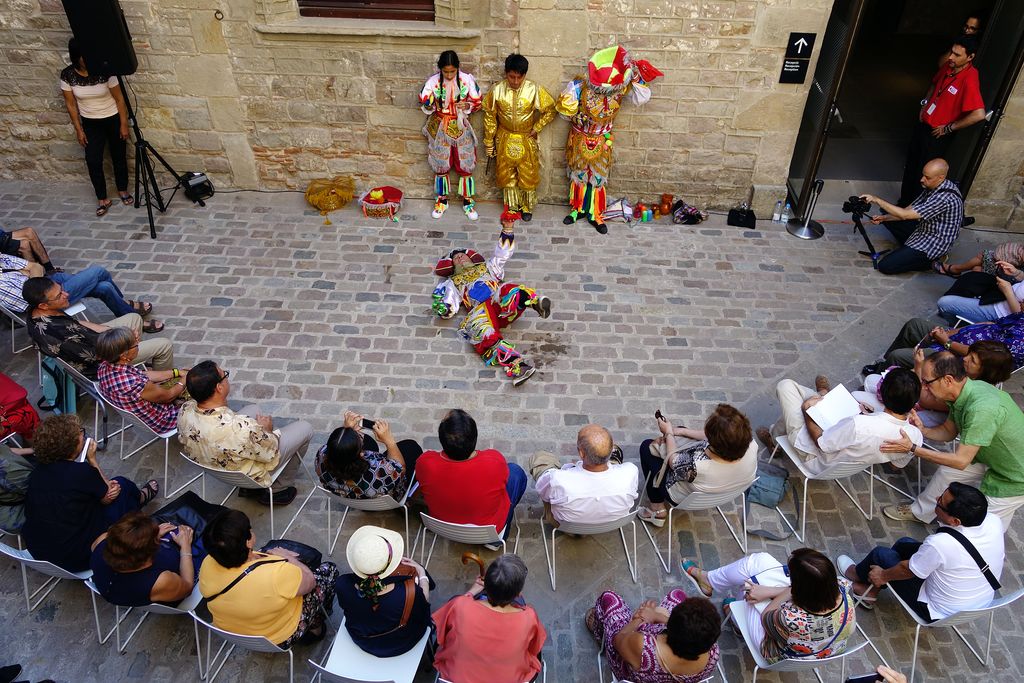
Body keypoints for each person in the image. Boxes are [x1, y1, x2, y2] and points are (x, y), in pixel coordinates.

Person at [880, 352, 1024, 530]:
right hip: (989, 455)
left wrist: (913, 449)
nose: (923, 387)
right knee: (947, 473)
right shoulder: (962, 392)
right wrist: (923, 430)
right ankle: (920, 512)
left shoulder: (981, 409)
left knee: (981, 524)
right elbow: (948, 431)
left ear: (947, 380)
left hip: (1016, 476)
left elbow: (961, 461)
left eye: (927, 382)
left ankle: (955, 550)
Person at [842, 483, 1003, 622]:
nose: (936, 499)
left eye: (940, 502)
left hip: (937, 610)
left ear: (955, 521)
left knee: (881, 555)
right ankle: (870, 590)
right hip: (978, 601)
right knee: (904, 544)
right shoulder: (993, 521)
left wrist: (882, 576)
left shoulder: (941, 544)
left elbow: (907, 570)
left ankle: (857, 575)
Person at [22, 414, 158, 571]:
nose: (83, 435)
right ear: (71, 445)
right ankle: (138, 505)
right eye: (80, 433)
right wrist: (92, 459)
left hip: (40, 551)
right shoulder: (80, 472)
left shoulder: (38, 472)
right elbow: (108, 494)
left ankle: (137, 500)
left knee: (113, 493)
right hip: (79, 556)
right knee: (122, 486)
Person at [431, 212, 551, 384]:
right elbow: (450, 304)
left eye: (462, 255)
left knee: (508, 289)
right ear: (452, 266)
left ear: (471, 257)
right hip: (480, 311)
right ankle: (519, 367)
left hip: (499, 304)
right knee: (482, 332)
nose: (459, 257)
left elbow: (502, 254)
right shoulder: (452, 282)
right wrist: (444, 309)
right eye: (455, 258)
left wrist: (507, 229)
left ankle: (534, 303)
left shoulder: (488, 267)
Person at [556, 44, 662, 234]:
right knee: (579, 174)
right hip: (580, 137)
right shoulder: (580, 86)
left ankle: (595, 213)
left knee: (597, 177)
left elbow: (642, 97)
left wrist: (633, 73)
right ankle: (578, 209)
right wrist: (571, 106)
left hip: (602, 140)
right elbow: (564, 112)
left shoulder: (621, 89)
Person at [682, 548, 855, 664]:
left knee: (751, 591)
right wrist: (775, 590)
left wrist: (764, 592)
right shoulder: (843, 588)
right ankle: (710, 581)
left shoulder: (789, 618)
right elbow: (797, 591)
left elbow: (767, 615)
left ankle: (735, 618)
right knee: (760, 562)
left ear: (801, 586)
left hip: (778, 654)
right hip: (823, 651)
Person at [198, 509, 338, 646]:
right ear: (248, 542)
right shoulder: (276, 573)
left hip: (236, 632)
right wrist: (290, 558)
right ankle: (315, 629)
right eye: (250, 529)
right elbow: (310, 582)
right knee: (328, 571)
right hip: (278, 636)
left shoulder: (207, 564)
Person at [178, 360, 308, 506]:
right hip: (250, 475)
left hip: (213, 463)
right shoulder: (242, 429)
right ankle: (279, 489)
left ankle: (246, 488)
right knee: (305, 428)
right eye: (224, 375)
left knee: (253, 409)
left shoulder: (185, 410)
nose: (227, 378)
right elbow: (270, 450)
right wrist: (267, 429)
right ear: (219, 388)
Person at [761, 370, 923, 476]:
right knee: (811, 403)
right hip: (845, 460)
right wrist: (871, 415)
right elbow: (896, 466)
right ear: (914, 402)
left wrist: (807, 411)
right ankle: (822, 394)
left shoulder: (858, 424)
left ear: (882, 394)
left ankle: (775, 440)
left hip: (814, 457)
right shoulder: (914, 437)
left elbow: (821, 443)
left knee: (786, 386)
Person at [24, 277, 173, 380]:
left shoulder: (36, 312)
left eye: (61, 290)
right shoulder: (60, 335)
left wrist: (105, 329)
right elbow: (103, 355)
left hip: (95, 343)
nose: (66, 294)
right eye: (59, 296)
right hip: (101, 366)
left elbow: (77, 323)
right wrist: (127, 341)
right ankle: (160, 385)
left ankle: (132, 361)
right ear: (43, 305)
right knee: (164, 345)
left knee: (134, 318)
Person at [896, 35, 985, 207]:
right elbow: (933, 85)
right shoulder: (949, 66)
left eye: (957, 55)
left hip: (937, 135)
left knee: (925, 175)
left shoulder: (970, 77)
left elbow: (978, 114)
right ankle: (902, 204)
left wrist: (949, 128)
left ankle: (914, 211)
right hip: (923, 125)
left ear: (970, 57)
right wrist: (924, 105)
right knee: (911, 167)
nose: (951, 57)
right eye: (952, 52)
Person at [415, 409, 527, 545]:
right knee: (515, 472)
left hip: (443, 527)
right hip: (488, 533)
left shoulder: (424, 462)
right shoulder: (494, 461)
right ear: (474, 438)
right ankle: (495, 542)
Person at [432, 554, 546, 683]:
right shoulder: (528, 618)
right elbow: (534, 648)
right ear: (519, 594)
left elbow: (442, 635)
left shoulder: (459, 605)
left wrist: (470, 593)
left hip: (455, 677)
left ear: (486, 584)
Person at [638, 404, 757, 527]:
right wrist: (682, 431)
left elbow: (673, 460)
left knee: (647, 448)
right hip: (729, 488)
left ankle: (657, 509)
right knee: (680, 435)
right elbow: (711, 437)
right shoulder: (751, 445)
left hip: (681, 495)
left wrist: (668, 433)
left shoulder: (696, 466)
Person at [60, 37, 133, 217]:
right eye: (84, 56)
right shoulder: (68, 75)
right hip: (91, 123)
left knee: (118, 156)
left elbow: (119, 99)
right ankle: (102, 198)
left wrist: (124, 124)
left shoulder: (105, 70)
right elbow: (70, 105)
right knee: (93, 160)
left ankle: (122, 189)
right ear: (76, 57)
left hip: (112, 118)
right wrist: (79, 129)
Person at [335, 525, 433, 656]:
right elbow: (425, 601)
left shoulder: (343, 583)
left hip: (362, 639)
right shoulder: (408, 592)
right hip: (401, 643)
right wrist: (422, 574)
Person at [482, 53, 556, 221]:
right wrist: (489, 140)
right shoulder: (497, 90)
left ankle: (526, 206)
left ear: (524, 76)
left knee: (528, 173)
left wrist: (537, 127)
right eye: (511, 77)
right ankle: (512, 206)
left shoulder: (534, 89)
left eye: (518, 78)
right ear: (506, 73)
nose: (515, 81)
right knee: (506, 174)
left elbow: (551, 109)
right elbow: (489, 115)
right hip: (504, 137)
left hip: (526, 137)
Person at [586, 590, 720, 683]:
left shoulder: (644, 647)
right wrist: (656, 616)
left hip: (630, 663)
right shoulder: (713, 653)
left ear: (670, 628)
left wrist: (640, 618)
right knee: (677, 595)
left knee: (609, 598)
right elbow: (690, 636)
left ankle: (600, 633)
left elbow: (617, 639)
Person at [860, 158, 964, 275]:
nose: (922, 180)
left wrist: (876, 199)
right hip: (923, 230)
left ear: (941, 177)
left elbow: (905, 215)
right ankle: (908, 252)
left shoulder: (944, 197)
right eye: (923, 175)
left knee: (885, 266)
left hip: (933, 243)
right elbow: (907, 210)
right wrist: (884, 218)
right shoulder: (933, 186)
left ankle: (932, 262)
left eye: (927, 177)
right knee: (888, 216)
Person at [529, 424, 638, 525]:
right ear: (610, 452)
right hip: (613, 523)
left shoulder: (557, 479)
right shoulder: (630, 471)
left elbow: (542, 492)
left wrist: (568, 471)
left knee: (541, 459)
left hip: (567, 526)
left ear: (581, 453)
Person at [1, 260, 161, 329]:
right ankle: (127, 309)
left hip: (49, 282)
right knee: (99, 272)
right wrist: (30, 276)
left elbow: (35, 266)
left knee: (104, 286)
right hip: (47, 296)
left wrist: (34, 278)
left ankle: (125, 307)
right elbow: (28, 298)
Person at [419, 50, 482, 221]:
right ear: (440, 69)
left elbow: (477, 101)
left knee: (465, 163)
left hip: (461, 125)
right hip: (440, 126)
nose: (448, 75)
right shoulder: (433, 82)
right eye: (445, 71)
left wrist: (467, 104)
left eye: (452, 71)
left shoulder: (466, 80)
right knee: (441, 165)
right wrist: (430, 103)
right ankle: (441, 200)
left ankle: (468, 201)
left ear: (457, 69)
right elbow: (424, 99)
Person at [89, 511, 197, 607]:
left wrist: (147, 536)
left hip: (108, 586)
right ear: (147, 559)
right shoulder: (161, 581)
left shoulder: (101, 541)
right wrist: (185, 546)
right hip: (166, 592)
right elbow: (187, 587)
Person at [862, 314, 1024, 374]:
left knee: (898, 356)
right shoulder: (1021, 317)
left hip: (958, 358)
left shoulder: (1019, 343)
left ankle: (885, 379)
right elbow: (988, 323)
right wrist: (950, 333)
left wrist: (946, 342)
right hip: (956, 339)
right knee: (914, 325)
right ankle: (884, 368)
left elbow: (980, 357)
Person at [315, 410, 421, 500]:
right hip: (381, 499)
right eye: (359, 438)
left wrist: (346, 431)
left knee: (369, 441)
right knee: (411, 447)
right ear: (362, 454)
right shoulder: (381, 473)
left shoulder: (321, 456)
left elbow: (339, 449)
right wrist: (389, 440)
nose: (360, 434)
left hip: (351, 495)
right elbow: (400, 468)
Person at [95, 327, 185, 434]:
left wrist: (177, 372)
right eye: (136, 344)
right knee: (204, 383)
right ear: (124, 355)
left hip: (143, 413)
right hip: (163, 420)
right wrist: (186, 379)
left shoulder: (105, 367)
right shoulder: (133, 383)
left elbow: (144, 374)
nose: (139, 343)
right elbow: (168, 395)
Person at [936, 266, 1024, 325]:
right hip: (1001, 296)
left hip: (999, 314)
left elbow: (1020, 317)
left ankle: (960, 328)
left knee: (944, 303)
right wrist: (1017, 273)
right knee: (970, 278)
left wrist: (1008, 291)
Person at [933, 241, 1024, 279]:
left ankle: (956, 270)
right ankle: (956, 269)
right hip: (1013, 266)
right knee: (983, 257)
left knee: (977, 268)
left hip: (1015, 276)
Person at [0, 442, 35, 533]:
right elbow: (39, 489)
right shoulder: (8, 469)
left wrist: (32, 450)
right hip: (14, 515)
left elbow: (6, 450)